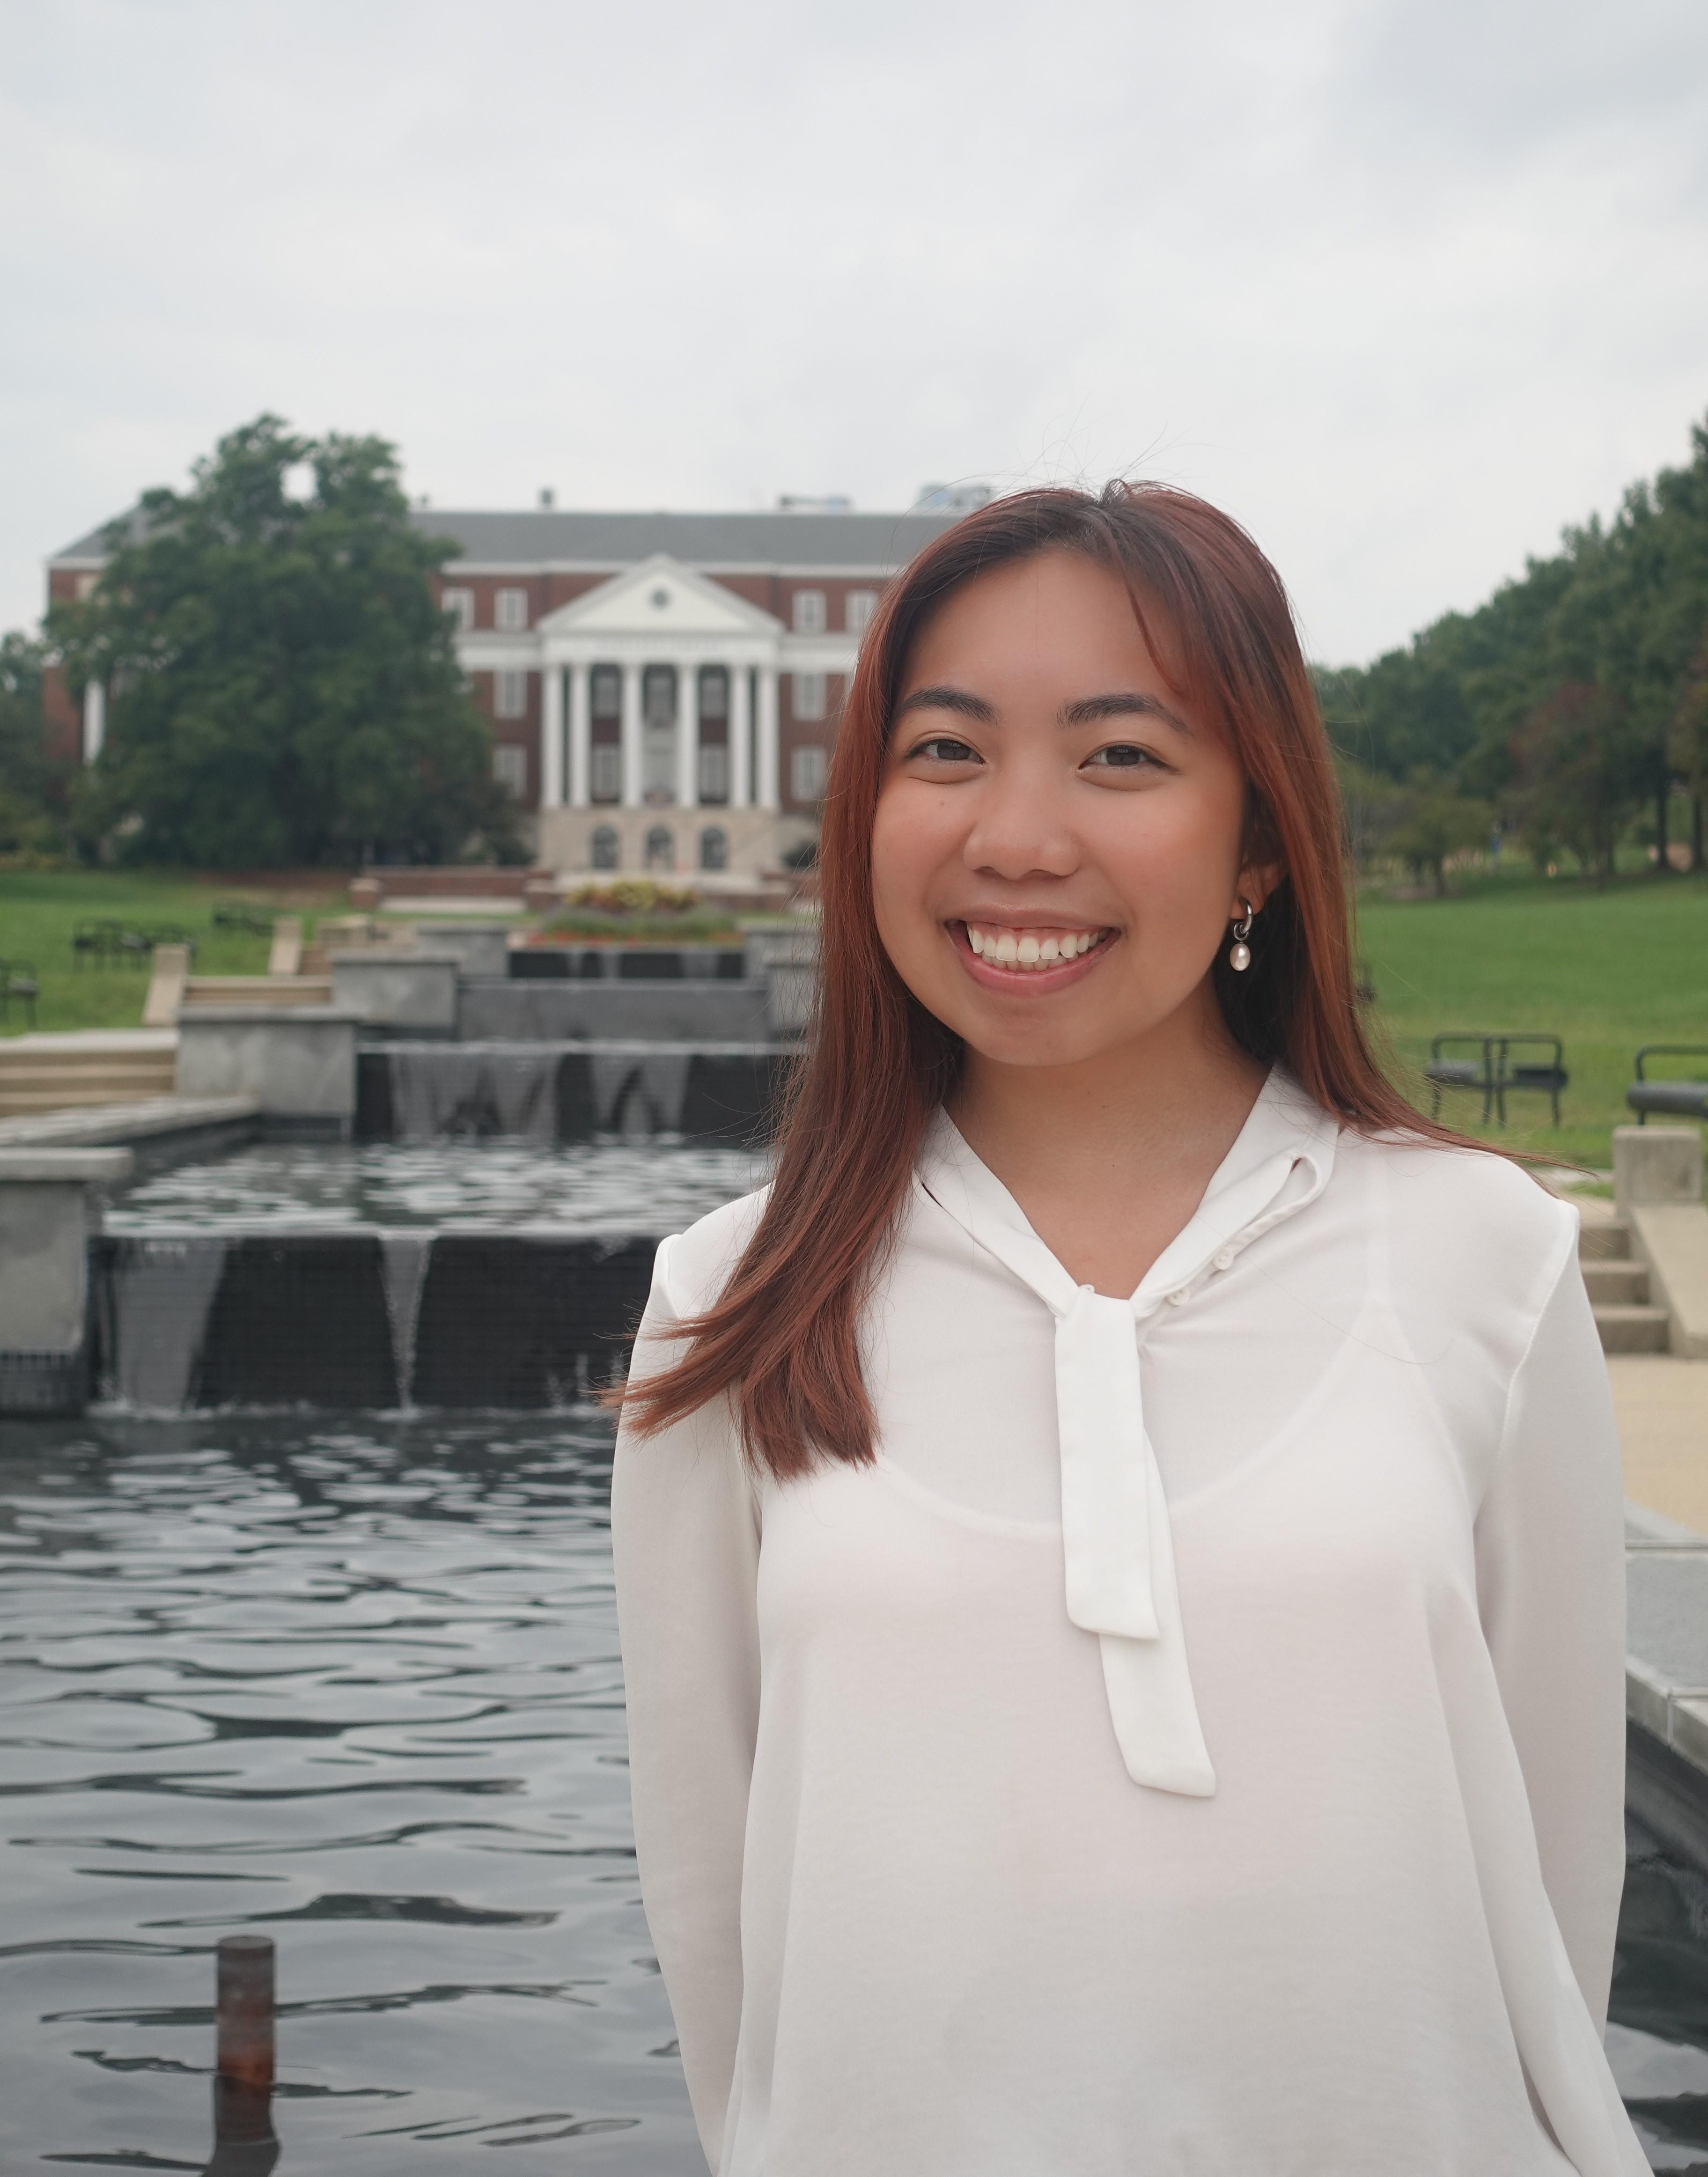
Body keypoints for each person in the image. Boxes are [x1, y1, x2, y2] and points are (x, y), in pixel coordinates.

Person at [611, 484, 1647, 2176]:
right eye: (944, 751)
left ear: (1259, 842)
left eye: (1120, 757)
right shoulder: (729, 1307)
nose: (1017, 836)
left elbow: (1551, 1904)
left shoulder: (1485, 1256)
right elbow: (721, 1937)